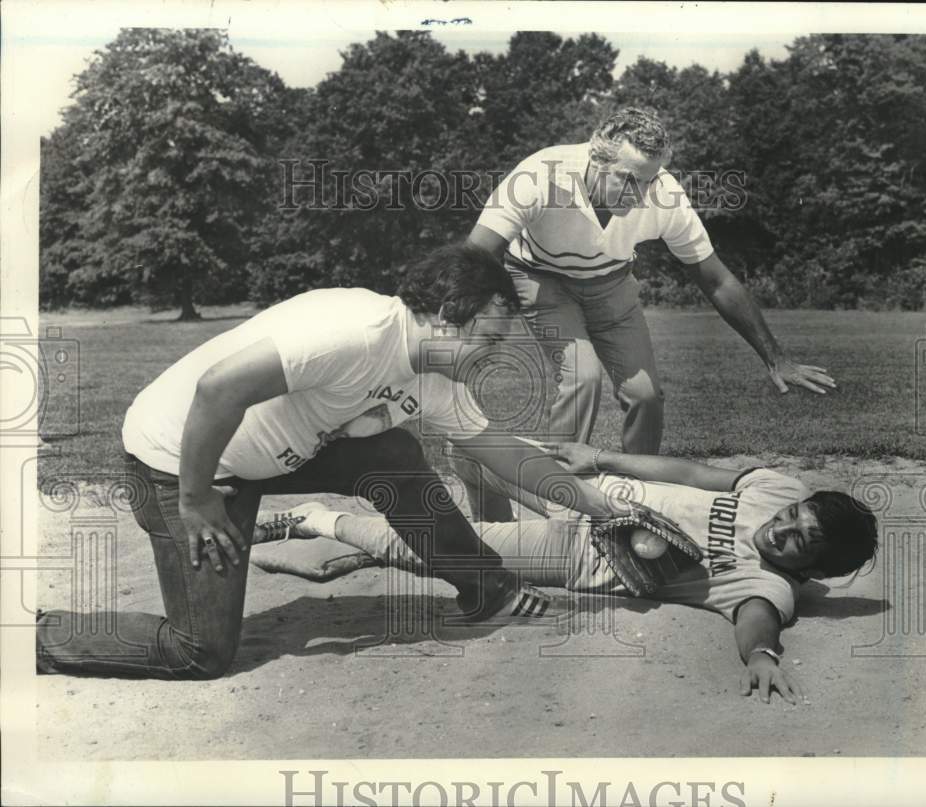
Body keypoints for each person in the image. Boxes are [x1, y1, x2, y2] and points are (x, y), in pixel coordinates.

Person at [35, 244, 626, 680]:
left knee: (395, 454)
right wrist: (194, 497)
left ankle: (486, 588)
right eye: (493, 339)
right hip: (179, 458)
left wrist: (596, 503)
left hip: (268, 456)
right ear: (450, 311)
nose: (497, 355)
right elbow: (217, 389)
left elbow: (506, 454)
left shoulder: (439, 378)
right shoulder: (354, 330)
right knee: (200, 651)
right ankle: (34, 639)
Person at [250, 442, 878, 703]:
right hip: (594, 491)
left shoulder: (766, 584)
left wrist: (762, 656)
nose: (785, 529)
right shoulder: (778, 490)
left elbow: (758, 622)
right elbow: (689, 474)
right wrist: (598, 457)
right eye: (797, 516)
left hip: (580, 553)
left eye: (801, 542)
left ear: (814, 567)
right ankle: (471, 537)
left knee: (432, 545)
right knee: (474, 449)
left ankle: (313, 518)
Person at [466, 107, 836, 463]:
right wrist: (451, 333)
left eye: (649, 180)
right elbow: (476, 256)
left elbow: (716, 279)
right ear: (597, 162)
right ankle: (561, 493)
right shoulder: (540, 175)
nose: (640, 193)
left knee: (645, 395)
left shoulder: (665, 194)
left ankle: (638, 489)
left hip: (612, 281)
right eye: (629, 179)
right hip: (540, 277)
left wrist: (776, 358)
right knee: (582, 378)